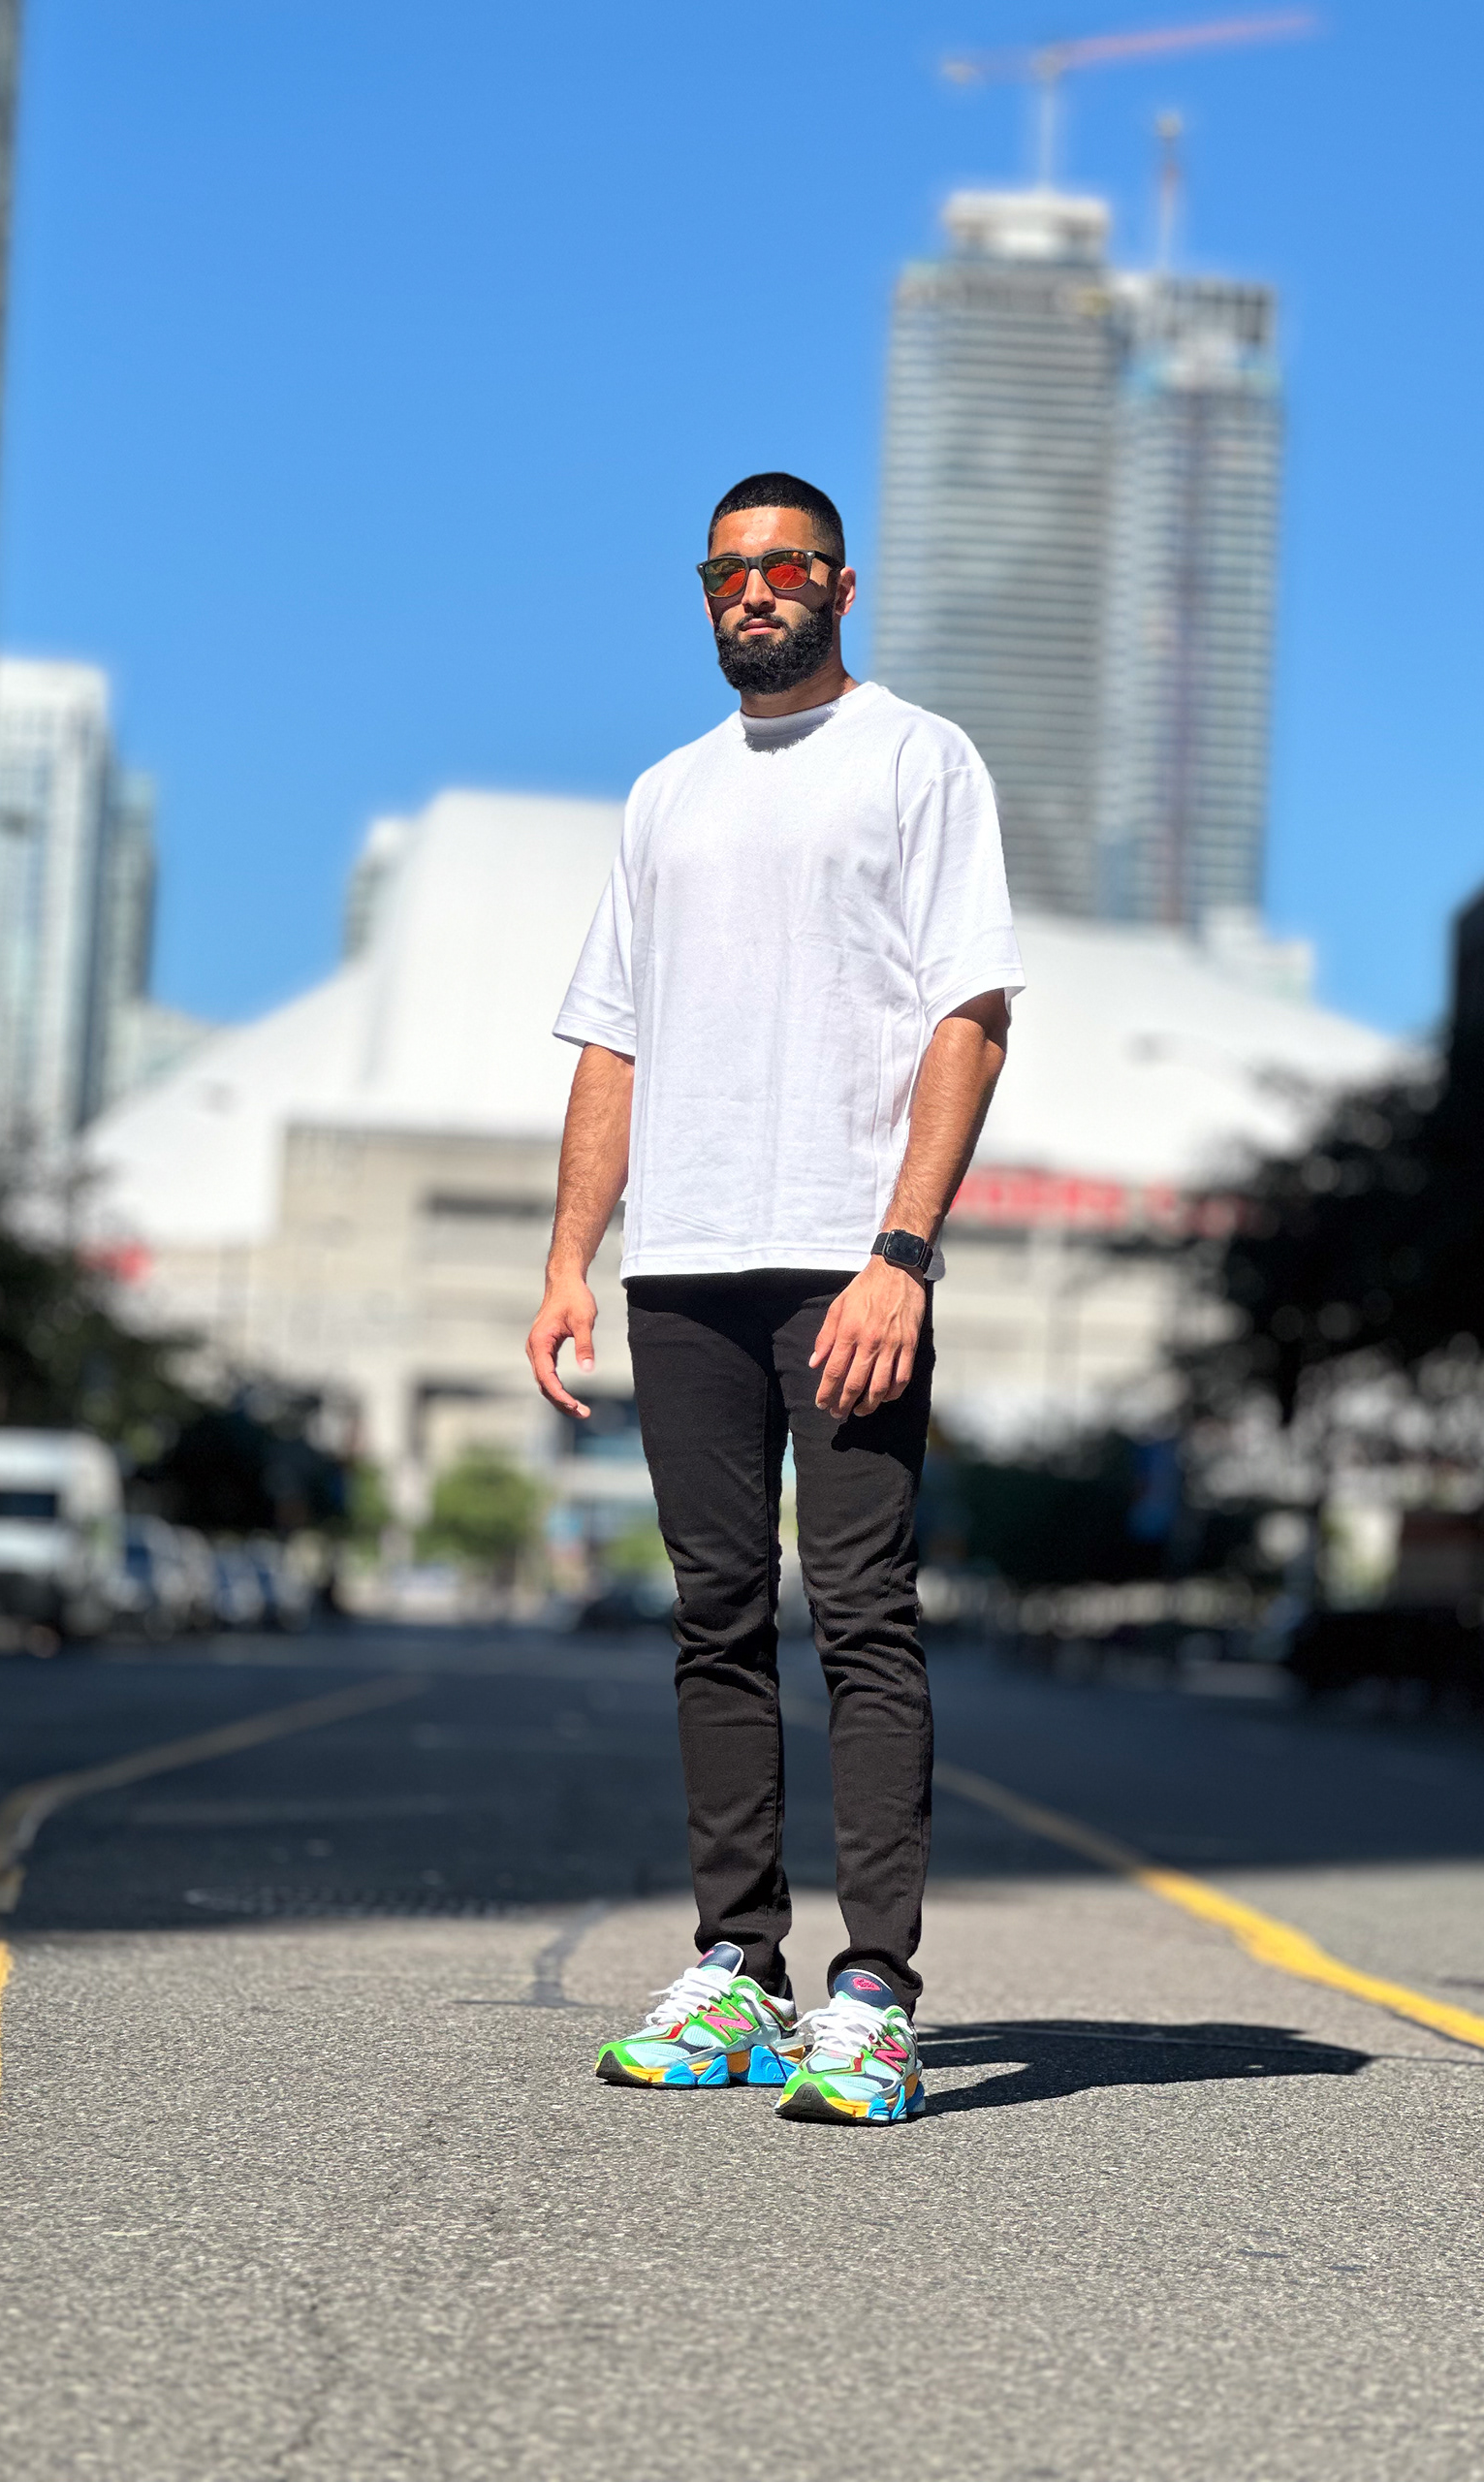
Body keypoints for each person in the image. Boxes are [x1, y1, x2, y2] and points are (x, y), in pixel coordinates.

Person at [527, 471, 1023, 2125]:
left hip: (844, 1263)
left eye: (786, 565)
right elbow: (614, 1036)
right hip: (680, 1263)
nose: (757, 590)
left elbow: (970, 1012)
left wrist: (903, 1251)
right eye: (729, 571)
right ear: (705, 592)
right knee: (714, 1622)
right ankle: (737, 1970)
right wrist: (565, 1260)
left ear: (841, 583)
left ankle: (874, 1994)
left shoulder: (915, 758)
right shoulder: (663, 795)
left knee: (862, 1616)